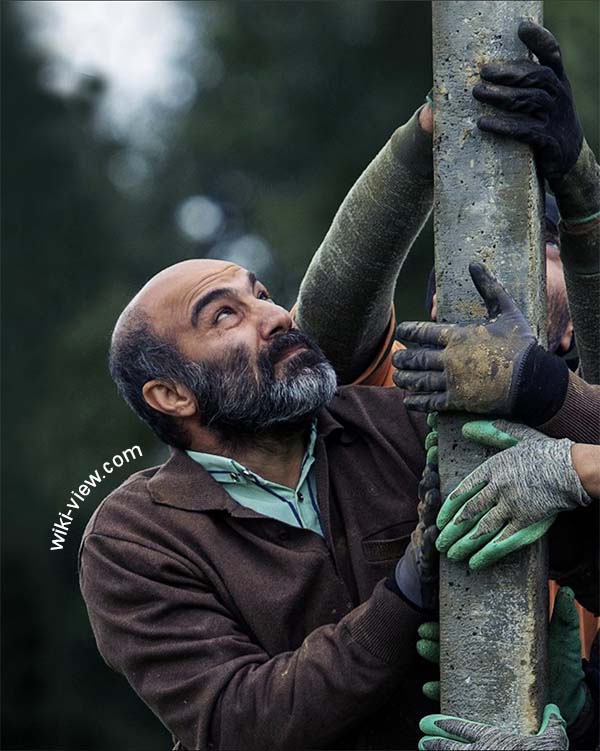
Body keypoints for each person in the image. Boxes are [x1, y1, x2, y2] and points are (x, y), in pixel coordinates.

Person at [79, 258, 443, 751]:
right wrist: (402, 598)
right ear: (172, 394)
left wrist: (585, 709)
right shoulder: (133, 538)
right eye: (225, 315)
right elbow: (238, 721)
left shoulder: (402, 420)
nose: (277, 317)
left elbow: (579, 549)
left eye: (262, 295)